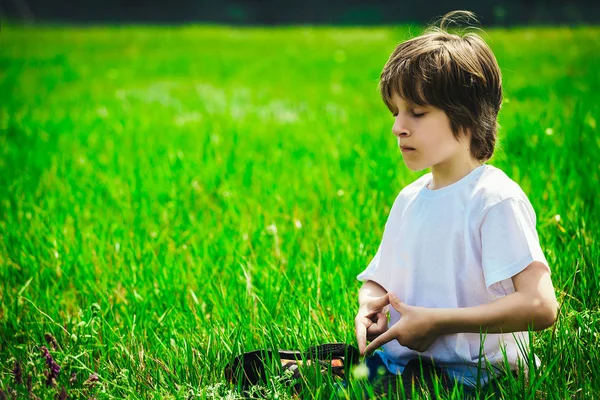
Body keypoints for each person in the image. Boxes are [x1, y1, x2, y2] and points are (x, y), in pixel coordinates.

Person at [352, 10, 558, 399]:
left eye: (417, 112)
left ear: (466, 117)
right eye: (396, 112)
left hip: (480, 378)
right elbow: (380, 278)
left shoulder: (494, 198)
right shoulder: (410, 198)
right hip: (408, 364)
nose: (398, 126)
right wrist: (369, 307)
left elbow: (540, 305)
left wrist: (438, 323)